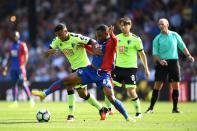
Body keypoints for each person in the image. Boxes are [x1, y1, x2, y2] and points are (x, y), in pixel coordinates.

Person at [33, 24, 136, 122]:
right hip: (90, 70)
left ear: (106, 34)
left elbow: (114, 40)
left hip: (103, 75)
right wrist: (86, 46)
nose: (98, 37)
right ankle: (45, 94)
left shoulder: (111, 43)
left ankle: (127, 117)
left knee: (111, 98)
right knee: (67, 81)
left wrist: (112, 33)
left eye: (100, 35)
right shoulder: (98, 43)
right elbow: (93, 50)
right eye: (97, 35)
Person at [145, 18, 194, 114]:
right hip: (161, 63)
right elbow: (155, 54)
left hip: (173, 62)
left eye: (162, 24)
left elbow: (182, 46)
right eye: (159, 24)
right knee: (158, 85)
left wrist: (188, 56)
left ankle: (175, 108)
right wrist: (160, 61)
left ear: (167, 24)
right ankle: (151, 108)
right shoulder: (157, 39)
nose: (160, 26)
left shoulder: (175, 35)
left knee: (175, 85)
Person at [109, 17, 150, 118]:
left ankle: (138, 112)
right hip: (118, 67)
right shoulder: (117, 38)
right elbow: (111, 51)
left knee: (131, 91)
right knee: (109, 87)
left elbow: (142, 54)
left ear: (130, 26)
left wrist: (146, 68)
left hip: (130, 68)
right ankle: (109, 109)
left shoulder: (136, 39)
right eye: (122, 25)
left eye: (125, 25)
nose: (123, 27)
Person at [2, 31, 35, 108]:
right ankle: (15, 102)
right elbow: (10, 58)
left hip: (20, 68)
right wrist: (6, 66)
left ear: (18, 36)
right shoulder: (11, 46)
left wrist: (23, 65)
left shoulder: (22, 45)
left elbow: (26, 55)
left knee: (23, 83)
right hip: (13, 68)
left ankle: (30, 99)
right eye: (13, 36)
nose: (15, 37)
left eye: (16, 36)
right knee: (14, 84)